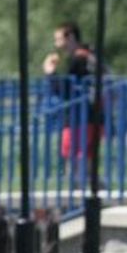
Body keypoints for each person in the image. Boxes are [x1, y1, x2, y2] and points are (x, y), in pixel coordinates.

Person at [43, 22, 101, 184]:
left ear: (70, 37)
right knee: (84, 157)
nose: (56, 44)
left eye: (58, 39)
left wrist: (50, 73)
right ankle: (89, 191)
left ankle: (75, 194)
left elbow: (67, 90)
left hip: (80, 114)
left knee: (74, 155)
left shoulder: (79, 59)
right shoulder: (88, 55)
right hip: (90, 114)